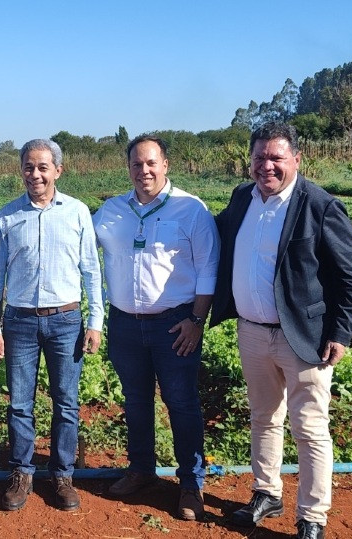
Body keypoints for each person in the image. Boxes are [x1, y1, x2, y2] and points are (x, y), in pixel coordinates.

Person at [210, 121, 352, 539]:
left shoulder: (320, 205)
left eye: (276, 157)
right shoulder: (243, 197)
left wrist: (341, 332)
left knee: (310, 427)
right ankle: (267, 492)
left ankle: (312, 516)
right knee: (263, 417)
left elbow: (350, 276)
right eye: (259, 157)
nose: (267, 166)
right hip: (253, 331)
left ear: (296, 159)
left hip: (303, 336)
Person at [93, 135, 219, 520]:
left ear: (165, 165)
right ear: (128, 168)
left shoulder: (190, 210)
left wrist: (197, 321)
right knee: (135, 401)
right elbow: (79, 245)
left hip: (174, 325)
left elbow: (208, 267)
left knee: (181, 402)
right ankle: (141, 470)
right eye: (136, 164)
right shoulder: (112, 212)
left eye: (151, 163)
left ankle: (190, 484)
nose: (143, 171)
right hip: (125, 325)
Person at [0, 139, 104, 512]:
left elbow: (90, 270)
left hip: (66, 320)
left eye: (43, 167)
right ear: (21, 170)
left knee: (66, 403)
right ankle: (22, 472)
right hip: (18, 321)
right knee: (20, 404)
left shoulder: (78, 212)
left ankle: (62, 474)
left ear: (57, 171)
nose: (35, 174)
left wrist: (95, 320)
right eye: (29, 167)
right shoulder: (7, 215)